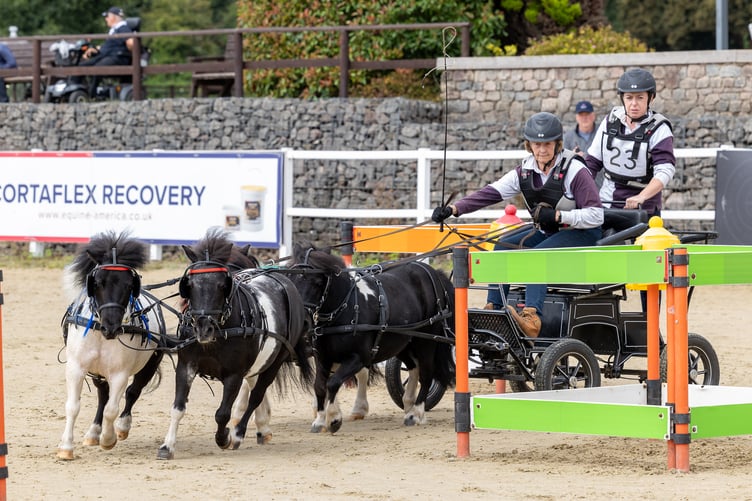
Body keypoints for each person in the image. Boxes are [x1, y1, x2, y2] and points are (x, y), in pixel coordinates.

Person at [432, 112, 603, 338]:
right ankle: (495, 309)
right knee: (502, 246)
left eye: (547, 144)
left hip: (583, 233)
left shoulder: (575, 170)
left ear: (557, 144)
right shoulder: (524, 171)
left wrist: (560, 216)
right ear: (529, 145)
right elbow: (491, 193)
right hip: (549, 232)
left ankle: (532, 318)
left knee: (536, 255)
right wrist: (455, 209)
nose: (542, 150)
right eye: (536, 144)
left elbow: (596, 216)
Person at [585, 68, 675, 216]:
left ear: (650, 98)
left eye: (640, 98)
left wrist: (642, 196)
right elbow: (593, 161)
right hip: (608, 202)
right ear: (622, 99)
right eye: (629, 98)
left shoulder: (660, 128)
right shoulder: (610, 121)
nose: (634, 104)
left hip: (644, 207)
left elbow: (665, 171)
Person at [77, 6, 133, 97]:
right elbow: (108, 46)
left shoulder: (123, 28)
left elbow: (131, 43)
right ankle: (79, 91)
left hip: (116, 57)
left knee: (97, 68)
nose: (106, 19)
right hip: (106, 55)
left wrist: (131, 50)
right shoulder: (114, 30)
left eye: (107, 16)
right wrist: (95, 49)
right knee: (82, 66)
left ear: (113, 17)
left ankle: (92, 95)